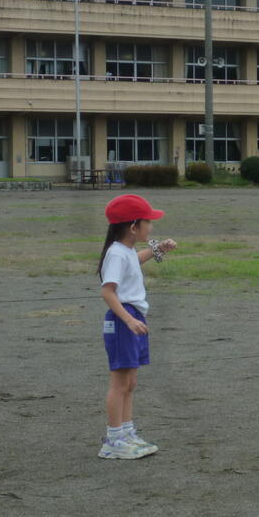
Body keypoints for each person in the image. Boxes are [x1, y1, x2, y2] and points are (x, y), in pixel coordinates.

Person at [95, 194, 178, 459]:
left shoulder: (126, 250)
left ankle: (127, 432)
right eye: (148, 222)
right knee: (119, 383)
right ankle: (113, 439)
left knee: (130, 383)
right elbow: (108, 292)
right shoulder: (117, 254)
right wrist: (128, 319)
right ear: (133, 227)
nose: (151, 227)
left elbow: (135, 261)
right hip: (124, 319)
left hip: (133, 317)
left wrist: (157, 250)